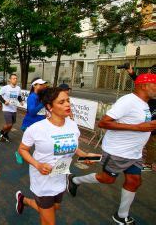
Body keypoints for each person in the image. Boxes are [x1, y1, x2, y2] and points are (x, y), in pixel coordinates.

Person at [67, 74, 156, 225]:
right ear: (144, 85)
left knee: (134, 181)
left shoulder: (144, 103)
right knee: (108, 179)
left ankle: (122, 215)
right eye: (155, 85)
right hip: (117, 152)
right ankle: (75, 180)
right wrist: (138, 128)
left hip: (135, 153)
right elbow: (103, 123)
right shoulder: (128, 101)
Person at [15, 87, 100, 225]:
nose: (67, 104)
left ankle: (23, 200)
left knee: (54, 208)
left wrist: (85, 155)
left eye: (68, 100)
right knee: (49, 221)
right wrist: (37, 165)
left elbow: (72, 146)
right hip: (42, 180)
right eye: (61, 102)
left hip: (60, 176)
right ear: (49, 106)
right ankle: (26, 201)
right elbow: (22, 149)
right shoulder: (36, 128)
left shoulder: (72, 125)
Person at [127, 64, 155, 171]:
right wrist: (132, 73)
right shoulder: (149, 84)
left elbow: (142, 82)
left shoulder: (151, 86)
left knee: (151, 143)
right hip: (147, 116)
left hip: (151, 119)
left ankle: (148, 165)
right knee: (144, 140)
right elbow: (141, 82)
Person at [0, 74, 23, 142]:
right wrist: (4, 101)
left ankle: (6, 134)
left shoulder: (18, 88)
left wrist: (21, 101)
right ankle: (1, 131)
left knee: (12, 124)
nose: (15, 80)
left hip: (14, 109)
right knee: (9, 124)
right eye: (13, 78)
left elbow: (19, 96)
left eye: (16, 78)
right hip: (7, 108)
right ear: (10, 80)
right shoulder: (5, 88)